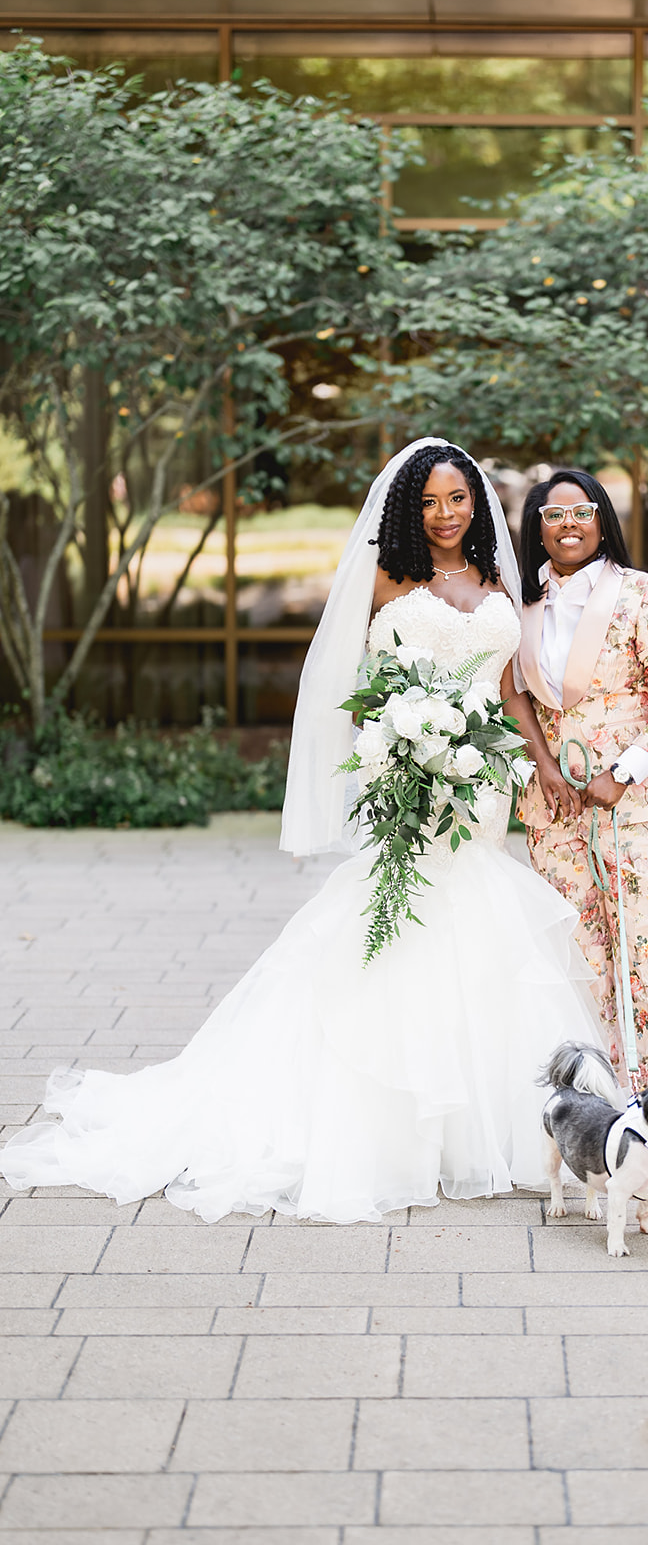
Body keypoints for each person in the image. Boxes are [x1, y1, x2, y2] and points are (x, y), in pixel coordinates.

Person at [0, 438, 606, 1224]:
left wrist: (542, 765)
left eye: (458, 500)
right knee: (405, 923)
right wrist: (394, 752)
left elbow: (505, 688)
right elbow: (337, 687)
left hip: (482, 790)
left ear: (477, 503)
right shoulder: (386, 578)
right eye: (429, 502)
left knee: (479, 930)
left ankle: (479, 1132)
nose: (447, 515)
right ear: (405, 508)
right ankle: (394, 1129)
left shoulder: (494, 579)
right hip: (411, 776)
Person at [514, 470, 648, 1087]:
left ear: (602, 521)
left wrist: (623, 771)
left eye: (582, 511)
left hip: (635, 802)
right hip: (553, 808)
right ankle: (601, 1090)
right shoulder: (520, 605)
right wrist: (541, 765)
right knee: (582, 955)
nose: (568, 524)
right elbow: (516, 699)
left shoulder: (647, 595)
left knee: (643, 947)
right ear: (536, 525)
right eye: (553, 514)